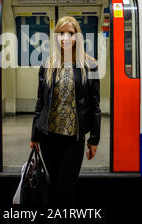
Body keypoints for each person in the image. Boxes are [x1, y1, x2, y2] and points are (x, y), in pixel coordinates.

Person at [29, 16, 101, 205]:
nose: (66, 37)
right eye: (61, 33)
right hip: (48, 138)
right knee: (53, 185)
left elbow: (95, 104)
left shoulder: (90, 65)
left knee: (65, 189)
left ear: (78, 36)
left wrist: (94, 139)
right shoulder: (47, 65)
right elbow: (40, 102)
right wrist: (34, 135)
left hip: (73, 140)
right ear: (56, 37)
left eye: (71, 33)